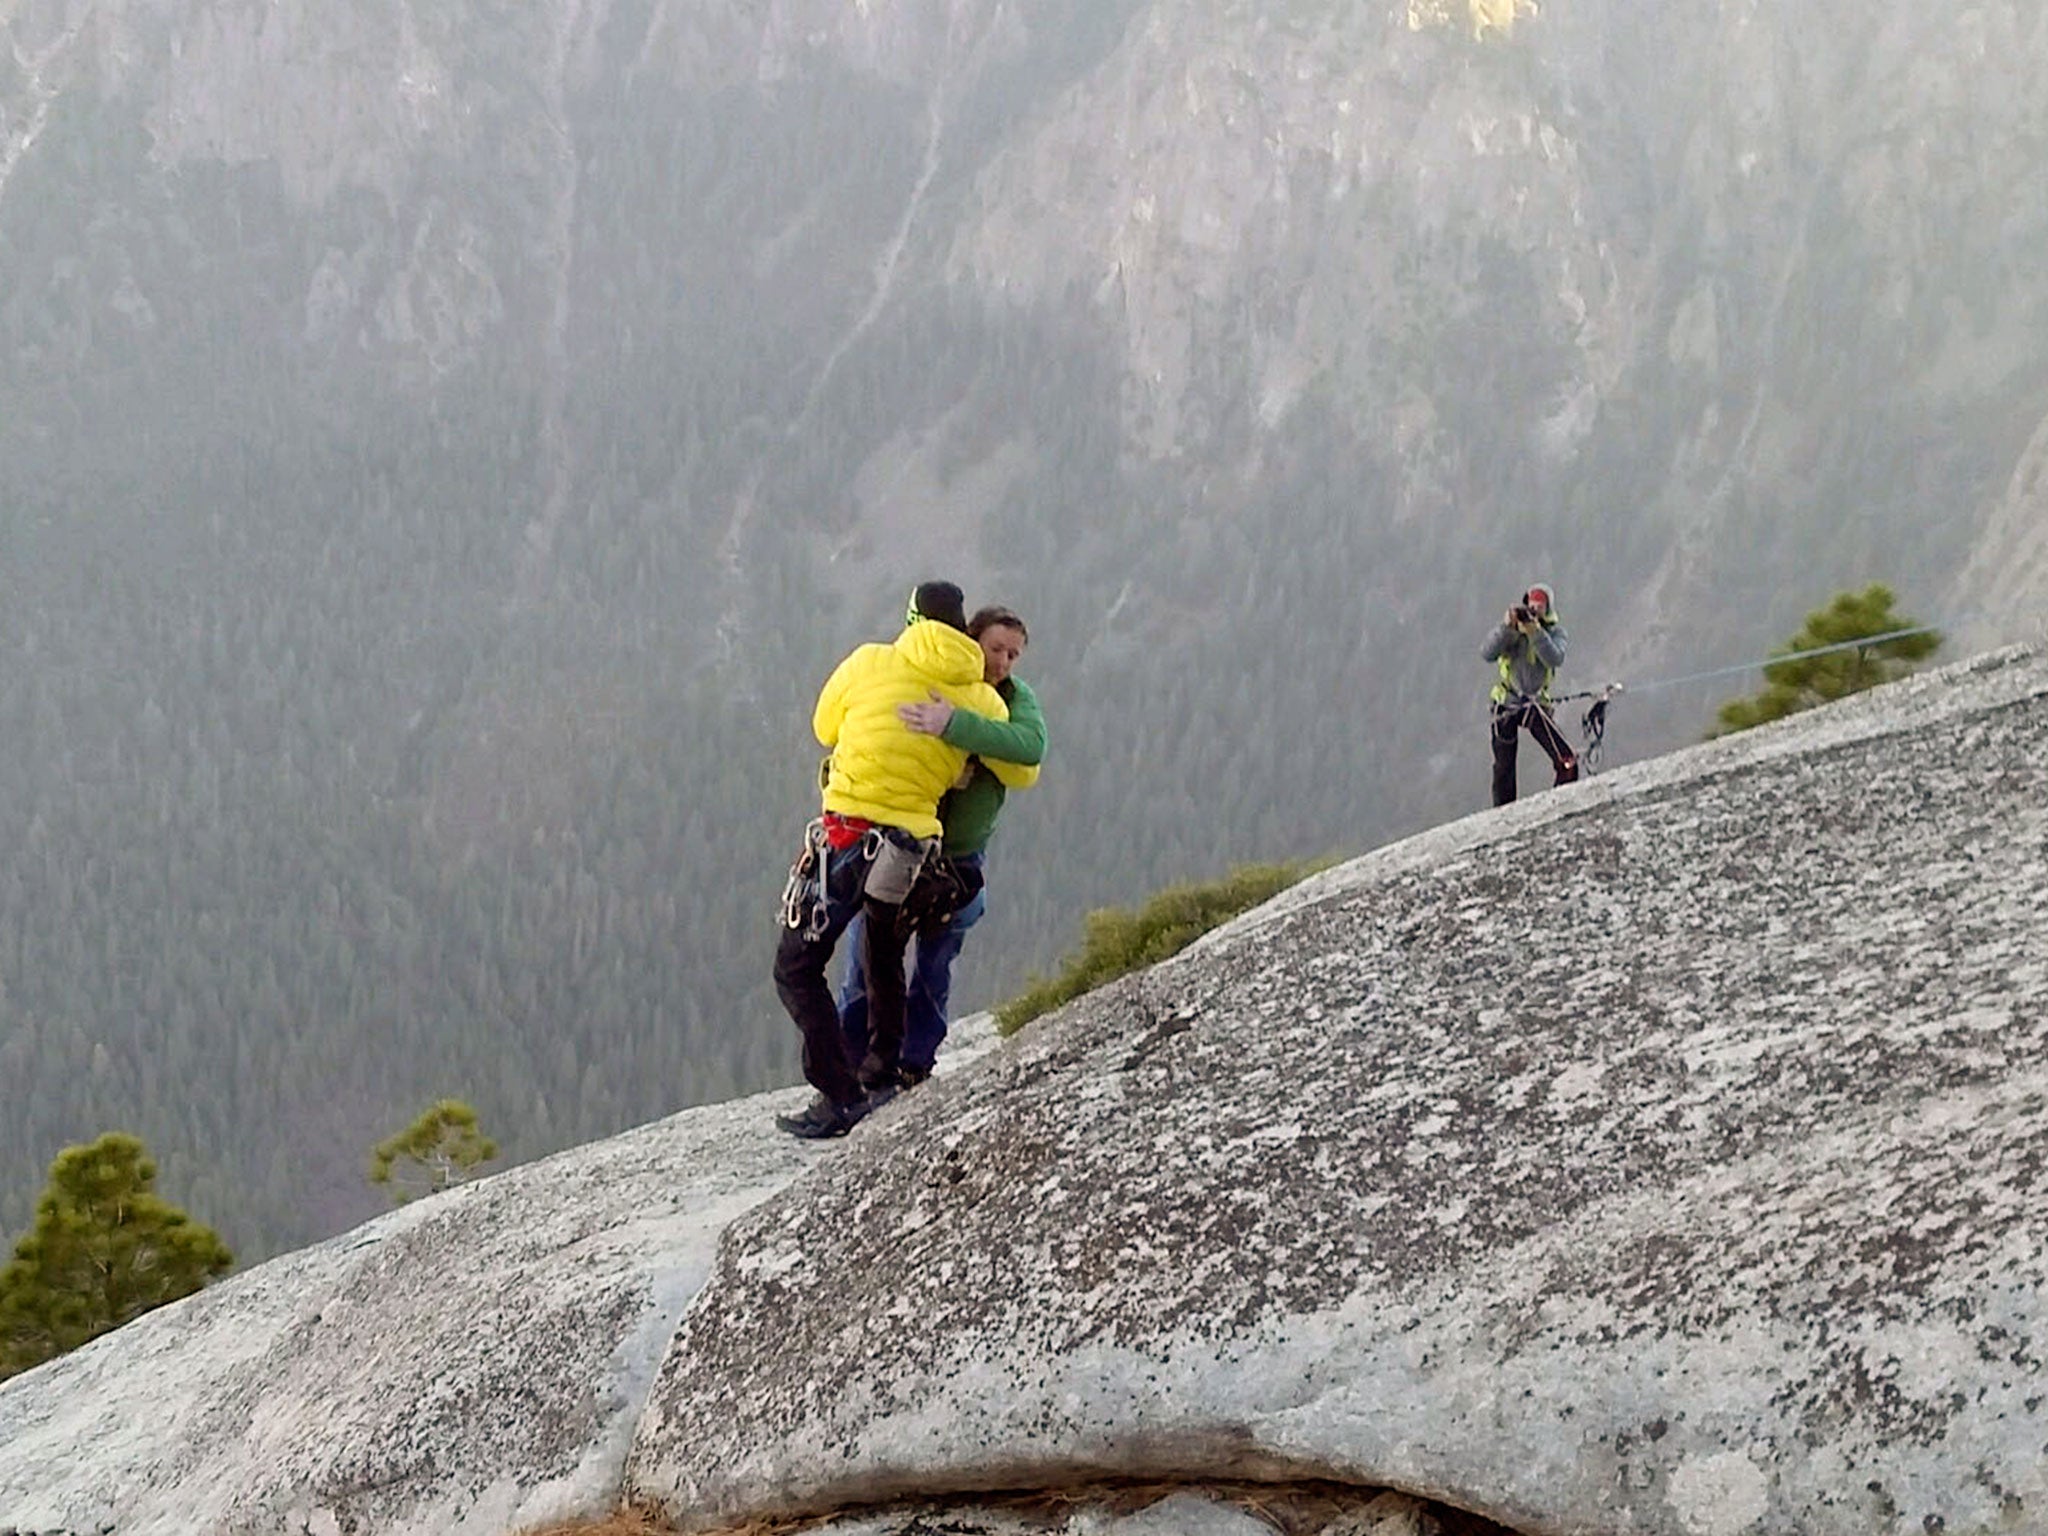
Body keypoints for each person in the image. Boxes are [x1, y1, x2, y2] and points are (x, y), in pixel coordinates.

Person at [772, 581, 1034, 1139]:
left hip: (848, 837)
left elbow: (824, 729)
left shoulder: (870, 661)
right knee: (883, 955)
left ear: (913, 618)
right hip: (912, 848)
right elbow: (1022, 768)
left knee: (797, 967)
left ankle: (839, 1094)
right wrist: (957, 737)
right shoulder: (981, 697)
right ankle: (883, 1075)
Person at [838, 605, 1044, 1089]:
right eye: (997, 649)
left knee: (934, 962)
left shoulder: (1015, 698)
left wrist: (955, 728)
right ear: (970, 641)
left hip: (956, 856)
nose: (1005, 663)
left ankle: (914, 1061)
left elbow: (1030, 751)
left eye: (1014, 654)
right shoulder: (929, 678)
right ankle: (852, 1065)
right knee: (866, 958)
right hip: (900, 842)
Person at [1482, 581, 1577, 807]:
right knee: (1503, 767)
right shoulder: (1512, 631)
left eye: (1539, 606)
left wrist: (1536, 632)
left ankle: (1562, 802)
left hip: (1535, 704)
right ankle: (1504, 814)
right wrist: (1507, 628)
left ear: (1548, 609)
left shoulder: (1555, 633)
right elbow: (1487, 652)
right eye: (1531, 606)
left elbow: (1555, 658)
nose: (1534, 611)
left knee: (1566, 759)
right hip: (1506, 701)